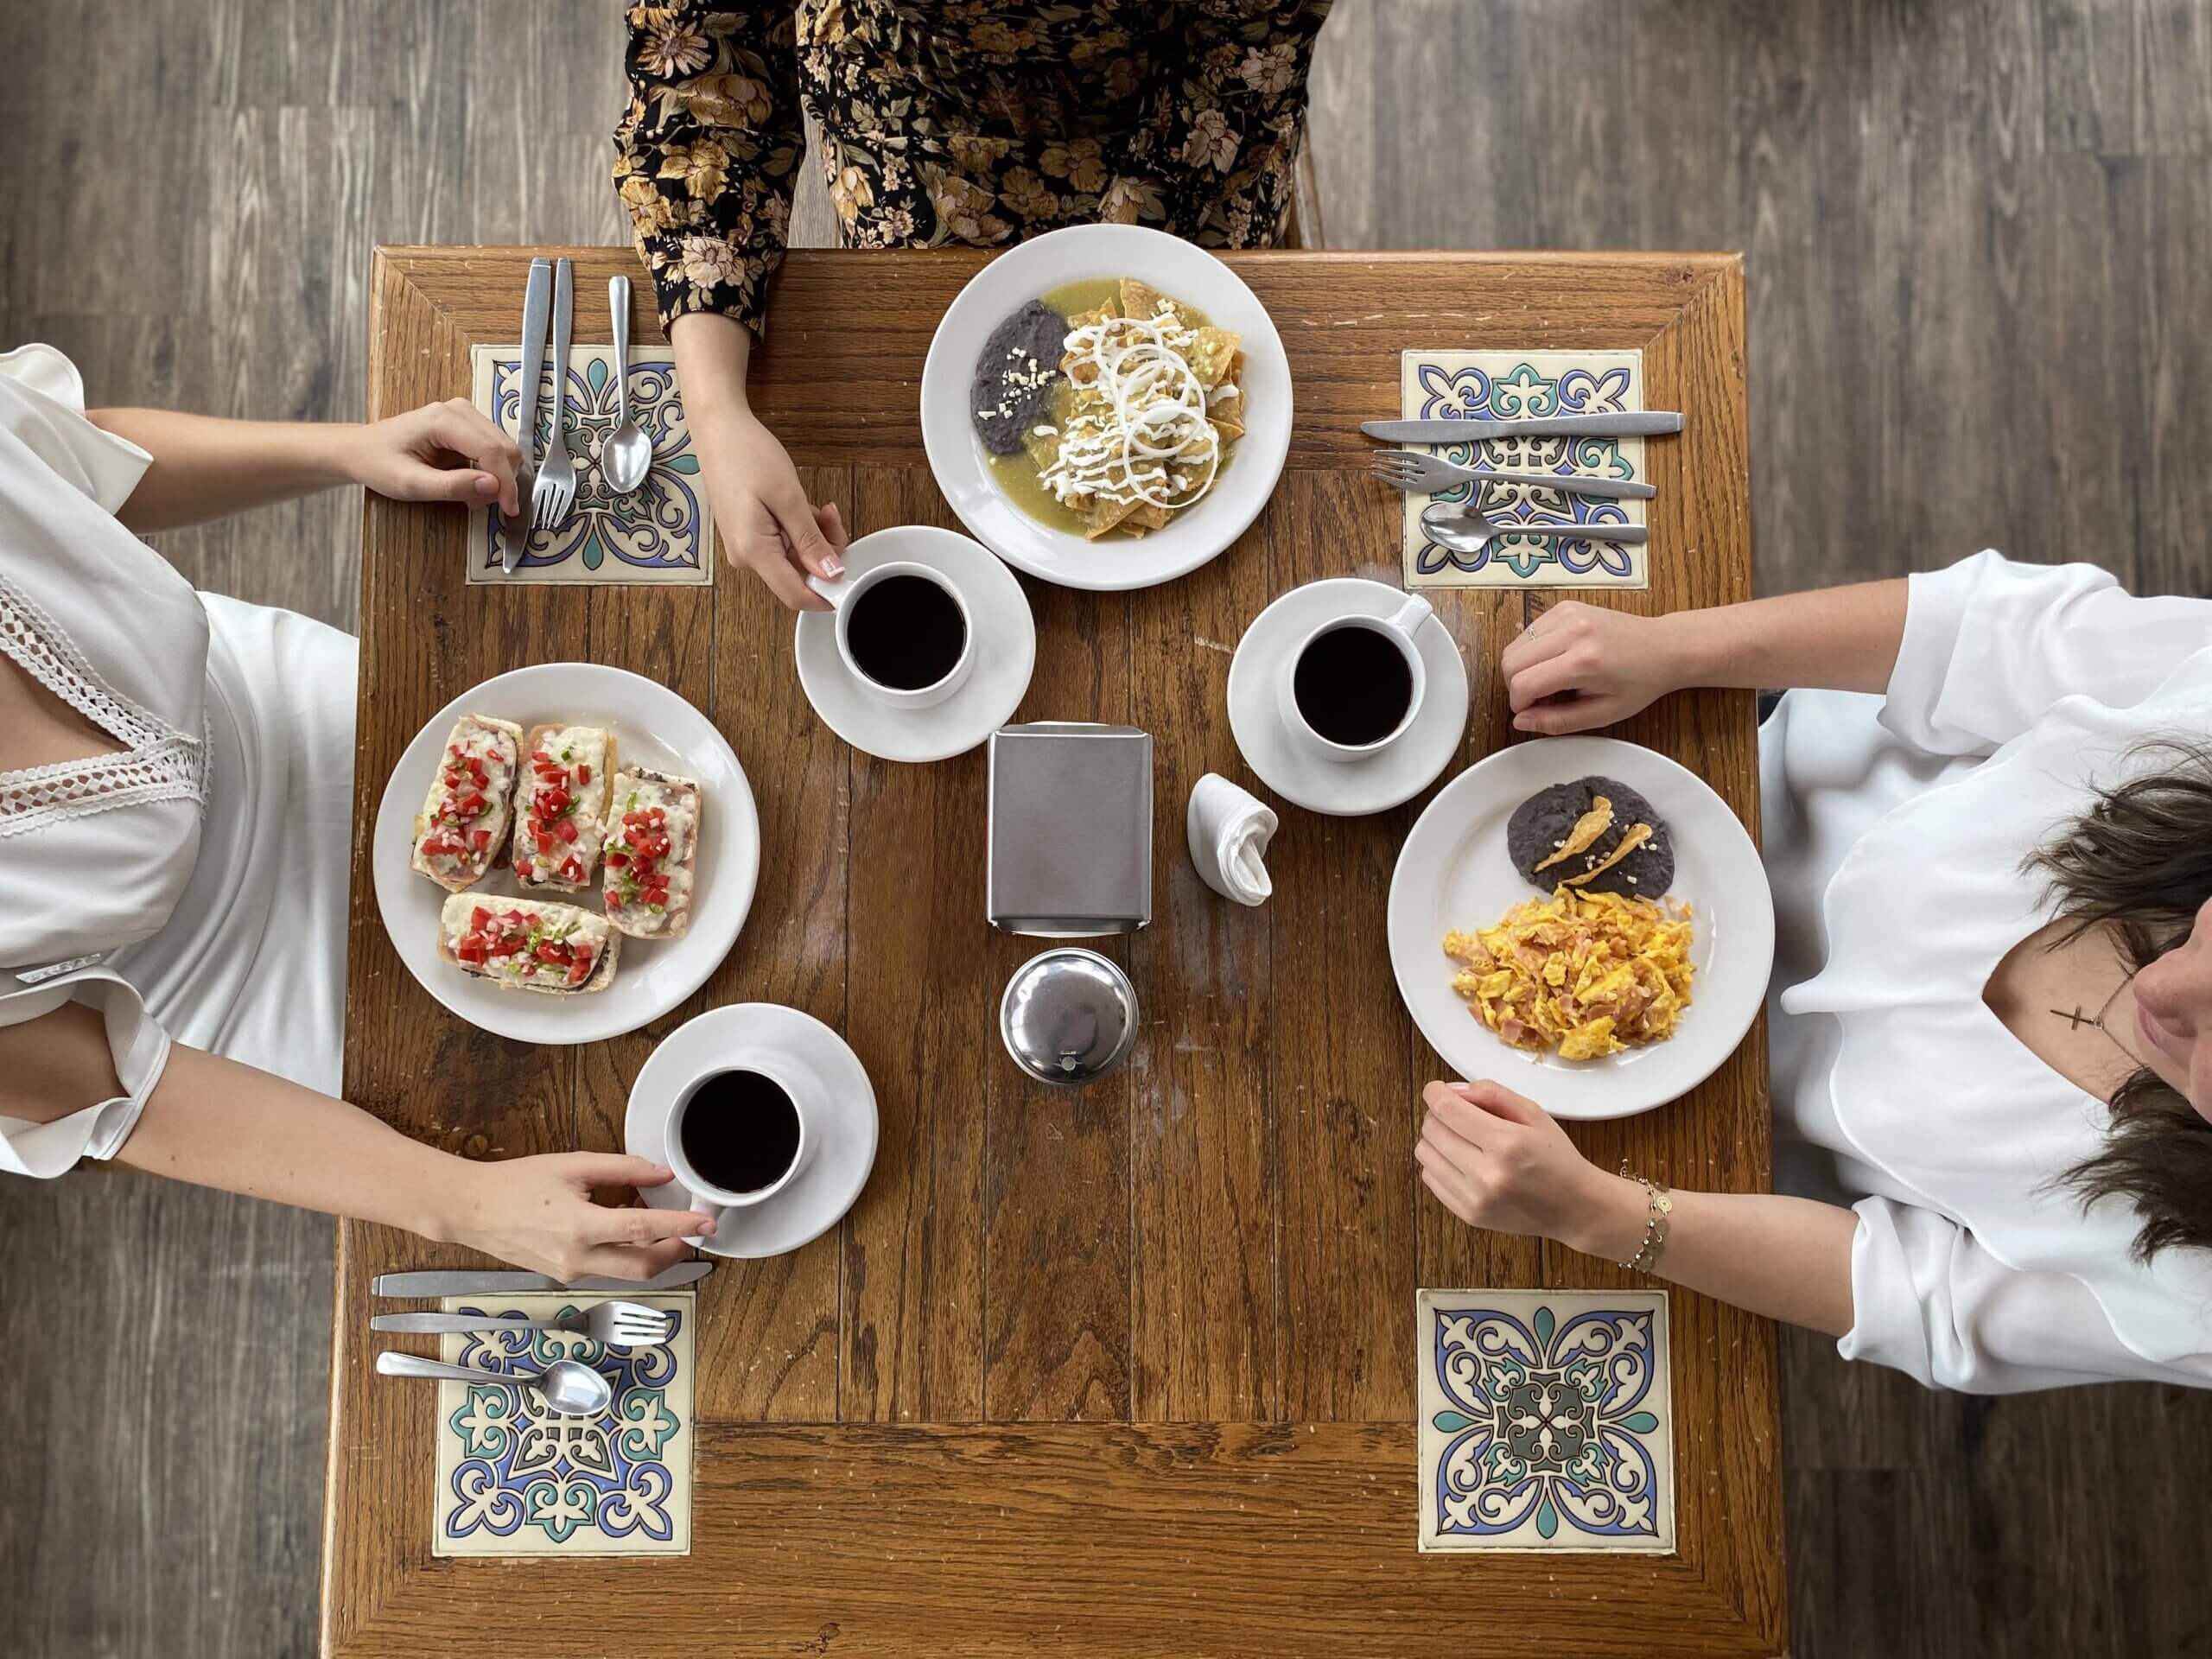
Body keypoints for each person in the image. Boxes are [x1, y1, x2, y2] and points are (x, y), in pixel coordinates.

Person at [1413, 550, 2212, 1391]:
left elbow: (1917, 1300)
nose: (2155, 990)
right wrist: (1673, 650)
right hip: (1717, 751)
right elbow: (1972, 638)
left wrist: (1591, 1213)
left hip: (1699, 1141)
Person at [0, 344, 719, 1278]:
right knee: (638, 1143)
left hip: (293, 703)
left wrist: (351, 449)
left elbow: (66, 457)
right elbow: (115, 1089)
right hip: (240, 1013)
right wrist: (468, 1206)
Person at [611, 0, 1336, 609]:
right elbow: (703, 57)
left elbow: (1252, 37)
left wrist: (1126, 313)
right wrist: (715, 412)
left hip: (1189, 112)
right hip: (905, 118)